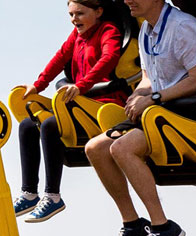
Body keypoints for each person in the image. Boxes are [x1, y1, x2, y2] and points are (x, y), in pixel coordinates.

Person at [84, 0, 196, 236]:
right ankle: (132, 226)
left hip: (192, 117)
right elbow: (147, 77)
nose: (127, 0)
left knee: (122, 148)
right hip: (161, 113)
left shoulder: (184, 27)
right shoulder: (146, 30)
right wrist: (138, 95)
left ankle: (163, 227)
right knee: (95, 148)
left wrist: (153, 98)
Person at [13, 0, 128, 222]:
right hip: (78, 103)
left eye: (80, 14)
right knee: (28, 124)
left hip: (103, 103)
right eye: (71, 15)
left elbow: (109, 58)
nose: (75, 19)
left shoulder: (108, 31)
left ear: (98, 11)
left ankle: (53, 196)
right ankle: (29, 193)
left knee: (50, 124)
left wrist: (81, 85)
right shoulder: (76, 36)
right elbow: (59, 58)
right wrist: (38, 85)